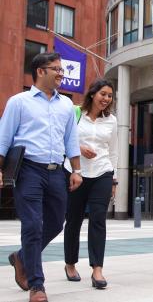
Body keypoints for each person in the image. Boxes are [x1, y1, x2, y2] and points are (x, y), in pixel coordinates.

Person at [0, 52, 82, 302]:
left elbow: (71, 139)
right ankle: (37, 285)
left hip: (56, 171)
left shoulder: (66, 104)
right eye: (56, 69)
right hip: (27, 171)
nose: (60, 73)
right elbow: (4, 139)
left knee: (57, 222)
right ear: (40, 71)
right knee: (33, 225)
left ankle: (21, 257)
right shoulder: (19, 102)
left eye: (61, 69)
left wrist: (76, 170)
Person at [63, 78, 118, 289]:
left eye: (110, 96)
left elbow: (113, 150)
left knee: (98, 220)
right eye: (103, 94)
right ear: (93, 94)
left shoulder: (112, 120)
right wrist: (79, 147)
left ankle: (97, 269)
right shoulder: (75, 113)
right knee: (74, 220)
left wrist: (113, 178)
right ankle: (70, 263)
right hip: (76, 172)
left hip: (102, 172)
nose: (106, 99)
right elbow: (63, 139)